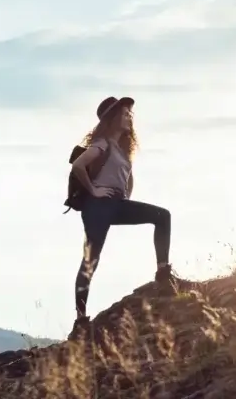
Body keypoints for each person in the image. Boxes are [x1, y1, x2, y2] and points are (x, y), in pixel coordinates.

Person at [69, 96, 175, 340]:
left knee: (162, 216)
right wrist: (94, 190)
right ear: (112, 118)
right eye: (125, 114)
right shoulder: (102, 143)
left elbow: (128, 175)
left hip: (116, 204)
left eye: (130, 114)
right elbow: (78, 166)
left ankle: (163, 273)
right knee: (90, 262)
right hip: (97, 207)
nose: (129, 117)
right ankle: (80, 320)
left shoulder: (123, 149)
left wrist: (126, 196)